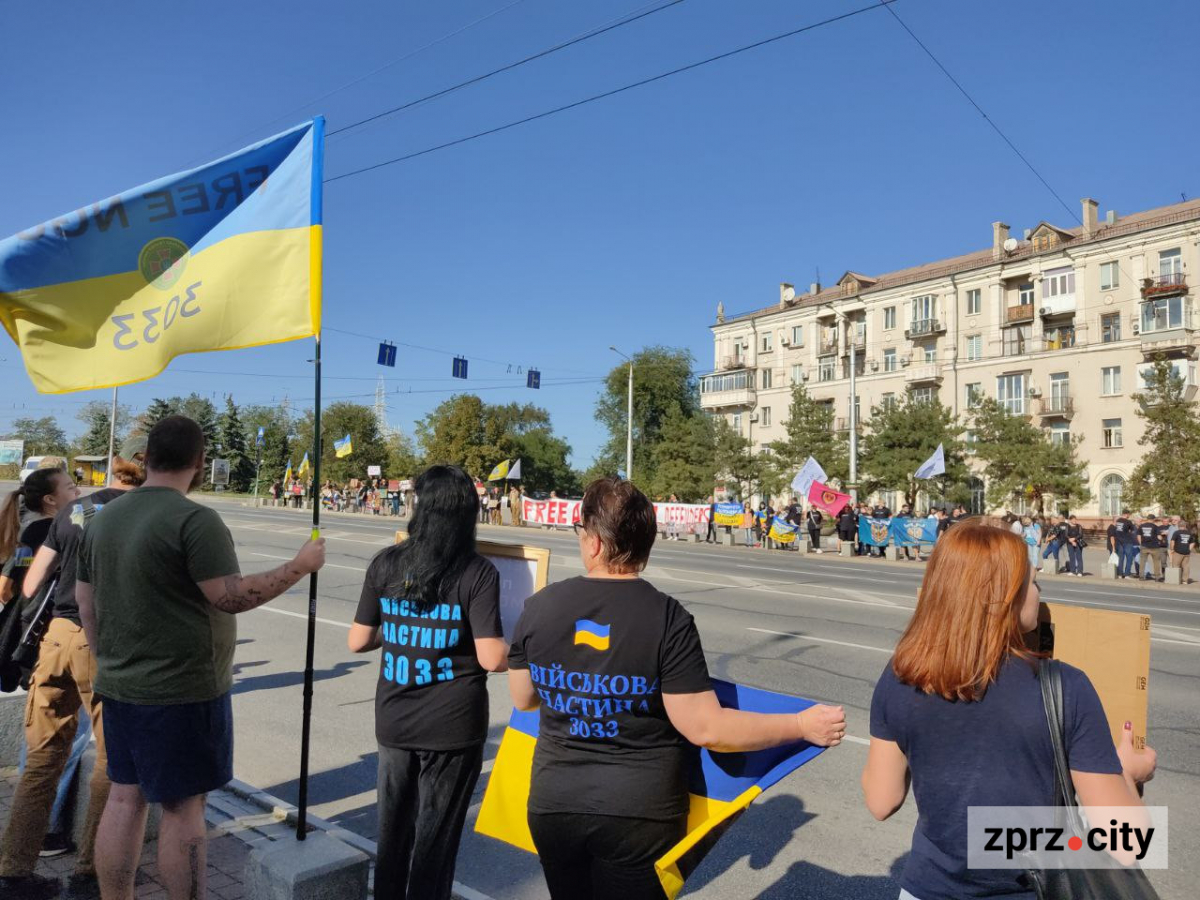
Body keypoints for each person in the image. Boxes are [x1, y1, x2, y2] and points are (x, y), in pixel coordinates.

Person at [507, 477, 845, 899]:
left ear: (593, 542)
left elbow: (522, 698)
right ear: (647, 545)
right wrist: (801, 725)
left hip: (554, 803)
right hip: (639, 815)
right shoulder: (668, 618)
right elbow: (707, 729)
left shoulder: (540, 606)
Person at [76, 417, 326, 900]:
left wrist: (111, 661)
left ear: (145, 458)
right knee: (184, 810)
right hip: (183, 692)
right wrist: (299, 566)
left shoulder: (103, 518)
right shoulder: (195, 520)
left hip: (120, 687)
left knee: (124, 798)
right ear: (199, 463)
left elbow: (87, 605)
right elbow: (230, 596)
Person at [861, 522, 1158, 899]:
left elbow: (880, 801)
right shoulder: (1066, 686)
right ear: (1002, 597)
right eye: (1032, 583)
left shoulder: (902, 674)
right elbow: (1126, 842)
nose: (1038, 593)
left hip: (926, 889)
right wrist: (1130, 774)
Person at [348, 466, 506, 900]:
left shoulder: (387, 562)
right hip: (452, 730)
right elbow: (492, 657)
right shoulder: (478, 572)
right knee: (435, 844)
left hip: (395, 722)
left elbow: (358, 640)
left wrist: (399, 628)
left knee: (392, 836)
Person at [0, 439, 147, 900]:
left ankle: (13, 871)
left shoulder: (73, 512)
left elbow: (30, 580)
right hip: (98, 638)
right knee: (111, 761)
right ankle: (92, 872)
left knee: (42, 759)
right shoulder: (140, 515)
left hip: (55, 640)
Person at [1137, 514, 1164, 582]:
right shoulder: (1155, 527)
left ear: (1147, 519)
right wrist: (1162, 538)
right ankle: (1157, 577)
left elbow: (1139, 536)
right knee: (1156, 562)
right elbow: (1159, 537)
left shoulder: (1141, 526)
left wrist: (1141, 544)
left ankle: (1141, 577)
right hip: (1154, 547)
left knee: (1142, 562)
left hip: (1144, 546)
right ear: (1153, 519)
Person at [1114, 509, 1138, 579]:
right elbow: (1133, 530)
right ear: (1127, 514)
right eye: (1129, 514)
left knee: (1120, 558)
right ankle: (1127, 574)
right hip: (1127, 541)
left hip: (1119, 541)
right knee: (1129, 558)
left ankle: (1120, 574)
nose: (1129, 516)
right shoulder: (1128, 521)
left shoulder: (1118, 521)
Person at [1169, 518, 1193, 584]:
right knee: (1185, 566)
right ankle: (1185, 580)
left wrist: (1172, 549)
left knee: (1175, 565)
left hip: (1178, 552)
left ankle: (1176, 579)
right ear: (1185, 526)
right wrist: (1189, 549)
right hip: (1186, 552)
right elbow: (1192, 543)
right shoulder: (1189, 533)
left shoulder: (1176, 532)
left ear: (1178, 526)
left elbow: (1172, 541)